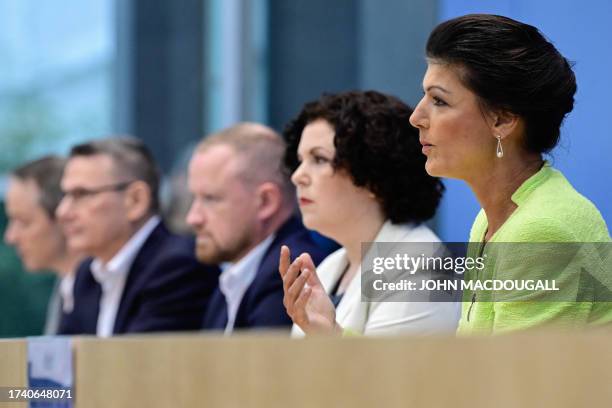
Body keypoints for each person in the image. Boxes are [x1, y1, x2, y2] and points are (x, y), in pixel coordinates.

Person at [408, 14, 611, 335]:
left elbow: (517, 383)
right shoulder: (491, 220)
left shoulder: (541, 230)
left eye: (438, 100)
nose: (416, 117)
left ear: (502, 121)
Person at [279, 90, 459, 336]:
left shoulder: (422, 267)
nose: (297, 176)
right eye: (300, 160)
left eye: (319, 159)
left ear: (372, 177)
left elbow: (390, 373)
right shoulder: (331, 266)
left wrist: (328, 334)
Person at [56, 137, 220, 336]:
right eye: (65, 195)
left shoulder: (178, 267)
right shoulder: (87, 274)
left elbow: (137, 366)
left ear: (136, 200)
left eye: (81, 194)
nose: (63, 212)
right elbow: (64, 360)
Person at [186, 123, 330, 334]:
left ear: (265, 201)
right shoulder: (231, 277)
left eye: (211, 199)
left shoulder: (292, 269)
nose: (193, 218)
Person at [3, 156, 83, 335]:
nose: (10, 237)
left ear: (65, 218)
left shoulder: (102, 296)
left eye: (24, 222)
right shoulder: (66, 289)